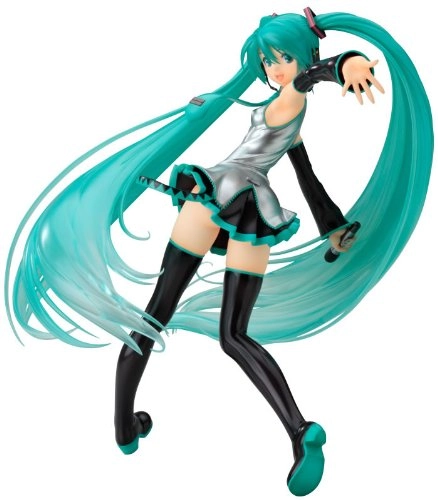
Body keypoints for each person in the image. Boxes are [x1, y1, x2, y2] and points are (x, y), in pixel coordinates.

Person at [5, 9, 433, 497]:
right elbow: (307, 178)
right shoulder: (287, 115)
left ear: (305, 58)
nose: (276, 70)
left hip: (214, 196)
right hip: (255, 210)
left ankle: (124, 425)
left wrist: (344, 64)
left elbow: (311, 78)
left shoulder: (293, 96)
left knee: (156, 313)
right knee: (234, 335)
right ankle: (298, 430)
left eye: (285, 58)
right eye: (269, 60)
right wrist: (332, 227)